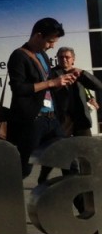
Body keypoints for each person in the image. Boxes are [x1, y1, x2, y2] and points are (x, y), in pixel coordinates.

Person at [7, 18, 78, 178]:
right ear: (38, 36)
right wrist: (52, 82)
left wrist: (63, 81)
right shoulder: (19, 56)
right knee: (24, 169)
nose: (52, 46)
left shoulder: (44, 56)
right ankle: (0, 196)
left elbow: (49, 85)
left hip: (52, 120)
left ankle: (82, 203)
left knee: (70, 162)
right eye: (50, 41)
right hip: (33, 121)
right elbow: (19, 89)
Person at [39, 46, 102, 185]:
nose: (64, 59)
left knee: (87, 150)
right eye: (61, 57)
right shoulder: (53, 74)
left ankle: (88, 179)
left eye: (67, 57)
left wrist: (83, 73)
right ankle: (44, 176)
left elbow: (98, 86)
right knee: (58, 150)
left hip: (80, 118)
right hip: (62, 119)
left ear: (73, 59)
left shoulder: (79, 74)